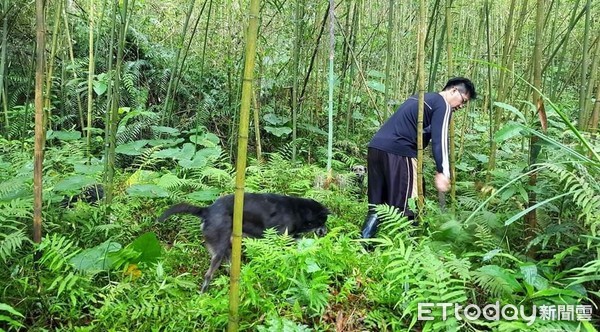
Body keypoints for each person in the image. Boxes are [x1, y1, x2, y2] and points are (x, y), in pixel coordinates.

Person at [361, 77, 477, 239]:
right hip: (400, 152)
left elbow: (420, 132)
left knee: (377, 205)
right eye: (463, 100)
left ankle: (363, 243)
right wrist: (443, 172)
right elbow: (440, 140)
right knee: (410, 202)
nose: (461, 106)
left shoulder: (423, 98)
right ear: (453, 91)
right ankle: (412, 248)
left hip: (376, 147)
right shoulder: (442, 105)